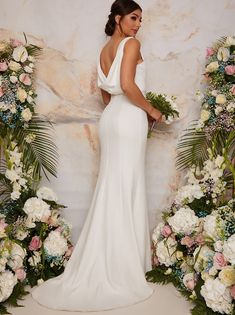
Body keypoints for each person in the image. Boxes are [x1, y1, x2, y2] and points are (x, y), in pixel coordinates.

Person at [31, 0, 162, 311]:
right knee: (125, 183)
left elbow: (107, 95)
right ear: (118, 18)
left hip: (112, 118)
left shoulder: (104, 51)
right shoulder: (131, 44)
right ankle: (125, 265)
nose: (137, 24)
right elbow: (128, 85)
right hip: (128, 118)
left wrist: (126, 111)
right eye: (133, 17)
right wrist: (152, 110)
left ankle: (115, 259)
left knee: (113, 184)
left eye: (140, 19)